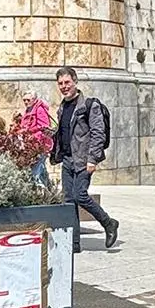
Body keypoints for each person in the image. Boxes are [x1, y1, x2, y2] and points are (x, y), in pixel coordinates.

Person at [50, 67, 119, 253]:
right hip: (67, 160)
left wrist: (93, 159)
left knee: (80, 195)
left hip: (83, 160)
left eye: (67, 82)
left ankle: (108, 222)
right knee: (69, 201)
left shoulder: (89, 105)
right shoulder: (63, 107)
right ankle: (74, 244)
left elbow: (98, 133)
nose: (64, 87)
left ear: (75, 82)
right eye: (61, 83)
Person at [17, 90, 53, 185]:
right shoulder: (29, 109)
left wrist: (28, 131)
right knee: (40, 171)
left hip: (39, 145)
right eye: (24, 100)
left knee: (35, 173)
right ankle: (49, 192)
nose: (26, 102)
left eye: (28, 100)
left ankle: (40, 194)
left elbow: (44, 127)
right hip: (32, 145)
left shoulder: (39, 109)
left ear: (34, 99)